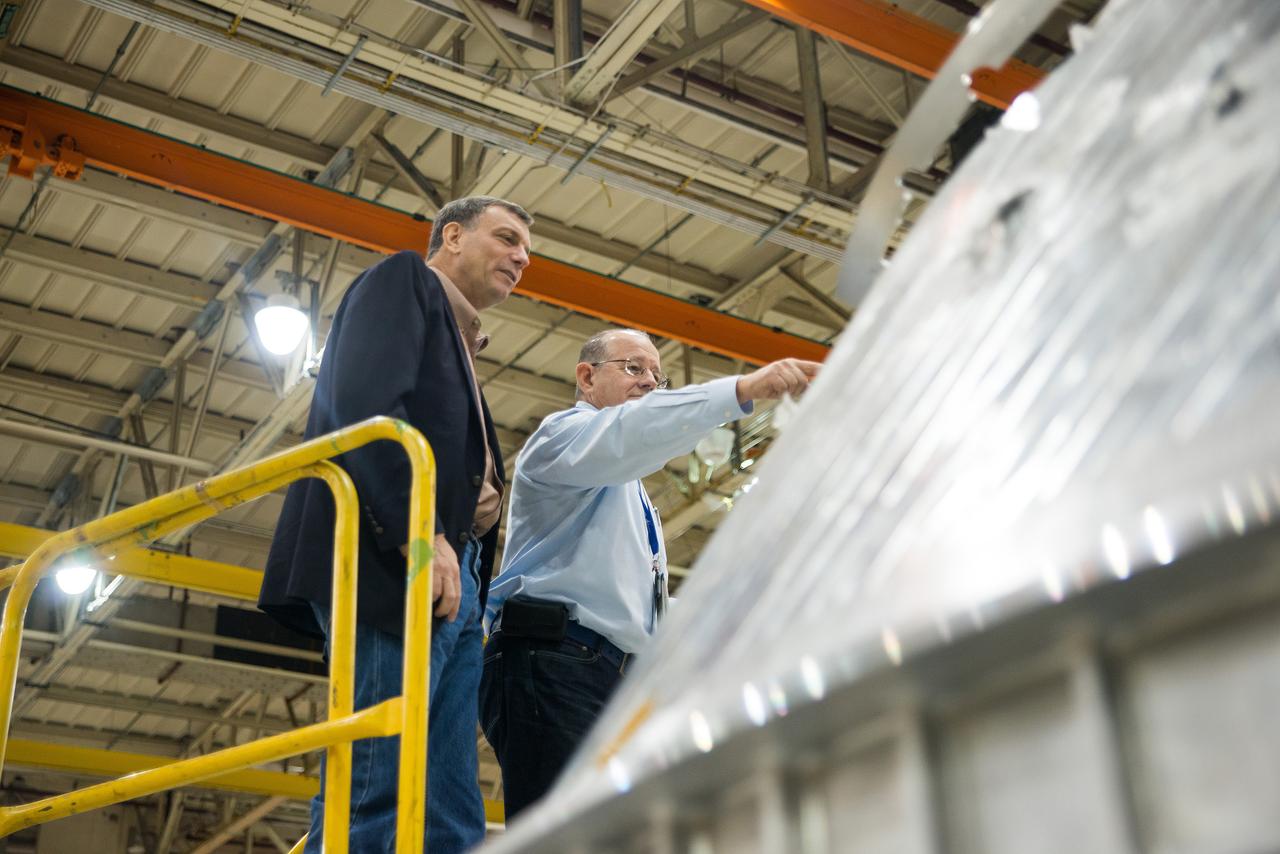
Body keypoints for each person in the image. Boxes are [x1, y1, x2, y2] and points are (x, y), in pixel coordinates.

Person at [258, 196, 532, 853]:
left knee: (448, 793)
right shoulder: (402, 279)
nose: (522, 258)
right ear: (453, 236)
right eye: (507, 238)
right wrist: (422, 532)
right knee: (380, 770)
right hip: (394, 553)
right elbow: (369, 408)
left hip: (455, 573)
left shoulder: (457, 340)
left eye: (527, 250)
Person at [479, 328, 820, 818]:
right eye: (634, 368)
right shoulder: (562, 439)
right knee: (567, 833)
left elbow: (639, 608)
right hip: (555, 659)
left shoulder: (628, 495)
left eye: (656, 378)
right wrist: (740, 391)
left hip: (610, 676)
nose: (647, 383)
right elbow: (632, 431)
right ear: (586, 377)